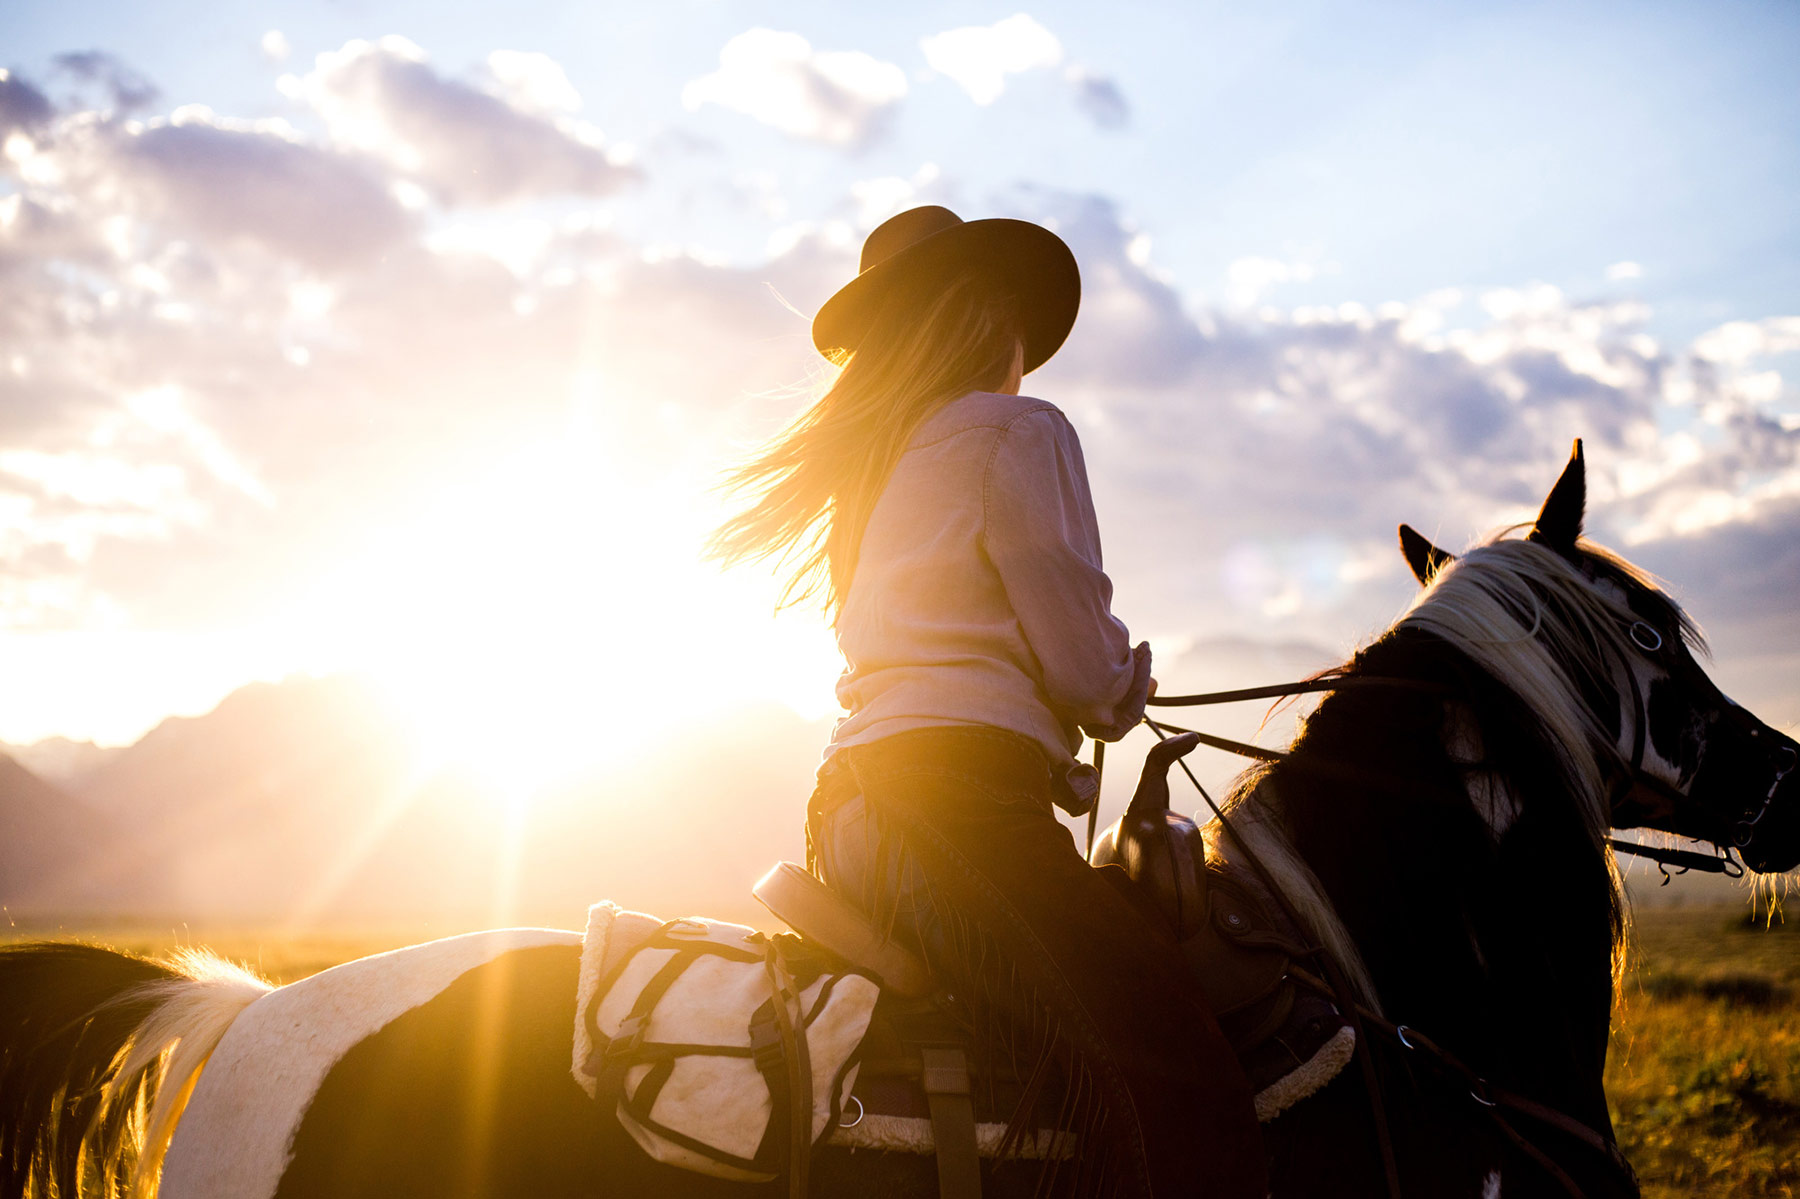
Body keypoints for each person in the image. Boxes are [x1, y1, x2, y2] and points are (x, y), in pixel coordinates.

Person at [711, 206, 1265, 1198]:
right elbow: (1079, 656)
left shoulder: (872, 475)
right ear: (989, 317)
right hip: (960, 807)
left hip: (853, 816)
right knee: (1175, 1063)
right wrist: (1121, 683)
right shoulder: (1019, 428)